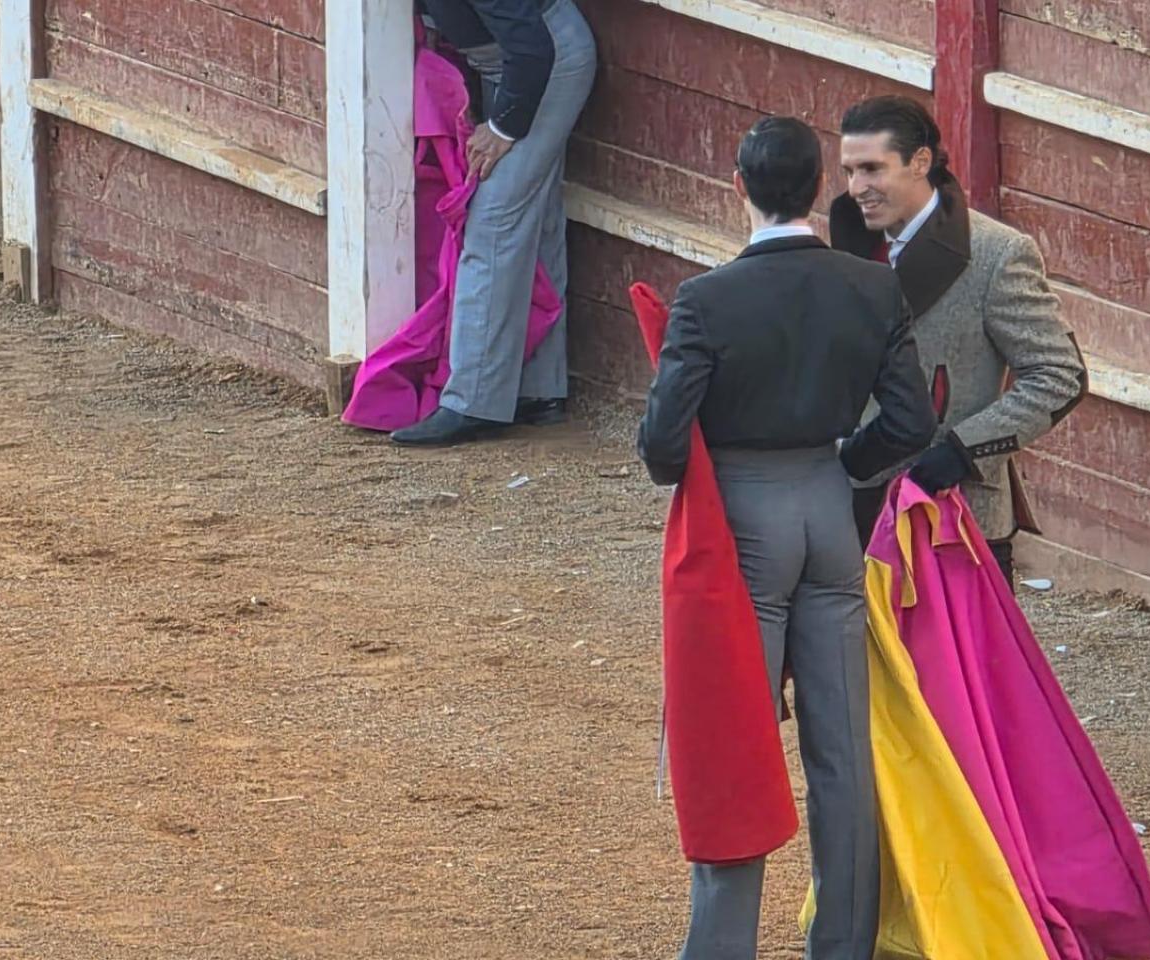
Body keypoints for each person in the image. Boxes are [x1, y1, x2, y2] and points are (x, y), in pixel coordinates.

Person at [638, 117, 936, 960]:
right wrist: (843, 469)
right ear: (821, 187)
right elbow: (912, 421)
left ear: (738, 185)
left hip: (743, 532)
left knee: (735, 738)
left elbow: (664, 452)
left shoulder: (706, 299)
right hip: (830, 514)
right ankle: (844, 945)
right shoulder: (871, 287)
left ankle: (723, 947)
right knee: (841, 747)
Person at [832, 96, 1087, 585]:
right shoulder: (847, 241)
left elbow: (1060, 374)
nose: (856, 188)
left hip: (953, 510)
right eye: (848, 171)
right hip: (854, 501)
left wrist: (961, 452)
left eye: (872, 169)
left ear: (920, 162)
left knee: (957, 663)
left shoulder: (997, 254)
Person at [391, 0, 597, 446]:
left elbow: (532, 49)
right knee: (533, 216)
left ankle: (473, 401)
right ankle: (539, 389)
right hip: (512, 64)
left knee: (493, 221)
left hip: (543, 67)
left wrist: (503, 128)